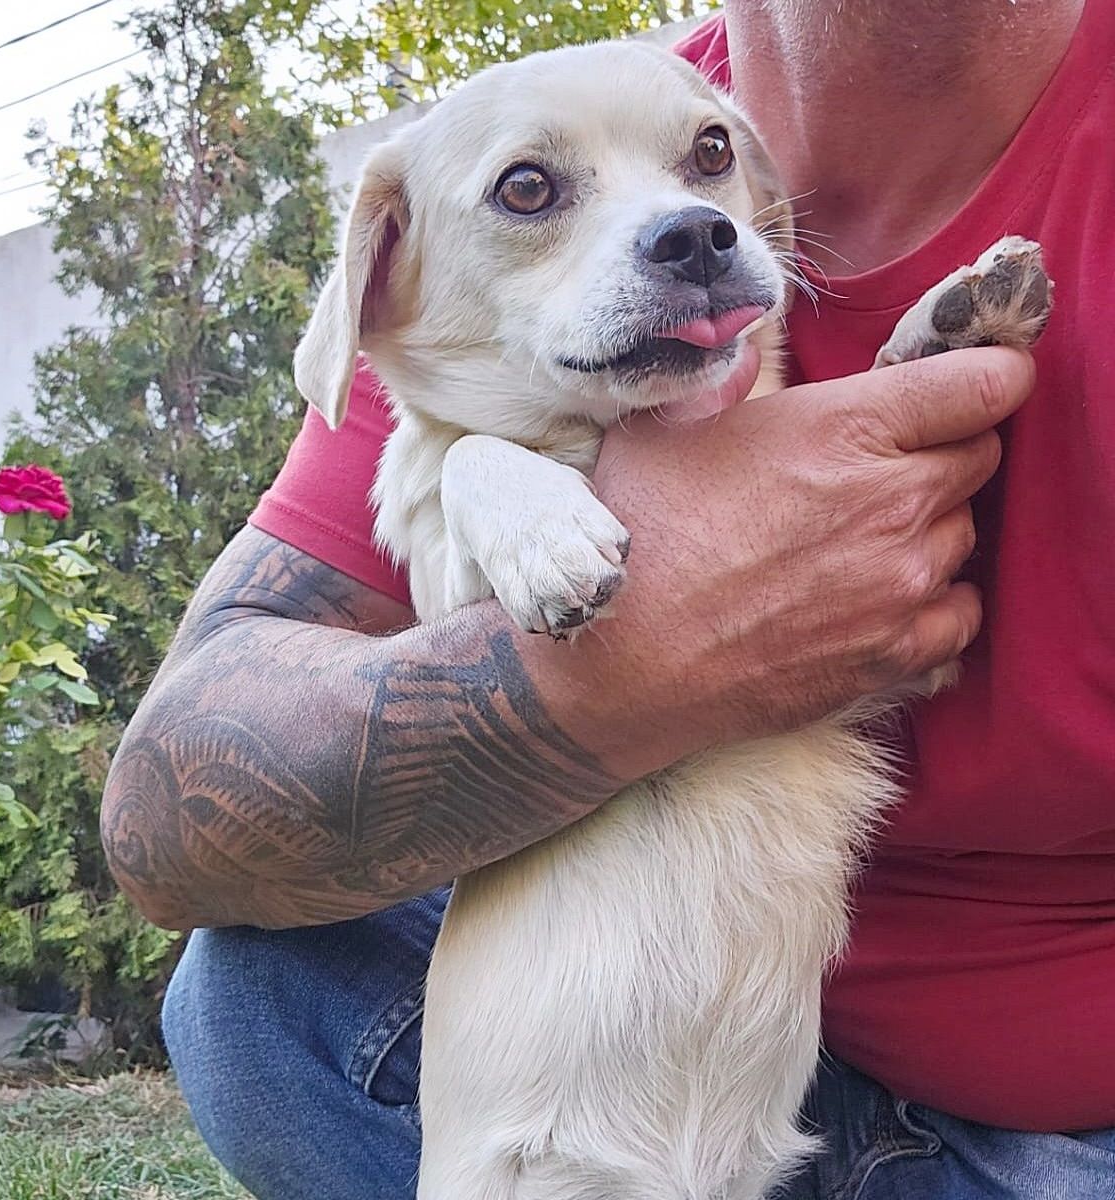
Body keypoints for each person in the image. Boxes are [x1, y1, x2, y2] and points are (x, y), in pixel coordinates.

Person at [100, 1, 1115, 1197]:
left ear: (761, 204)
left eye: (705, 163)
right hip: (592, 1118)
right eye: (532, 192)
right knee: (247, 992)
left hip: (1042, 1124)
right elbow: (167, 806)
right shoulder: (468, 387)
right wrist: (633, 652)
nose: (681, 222)